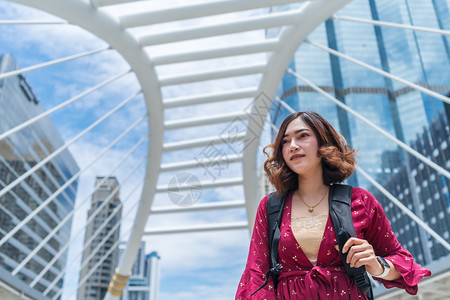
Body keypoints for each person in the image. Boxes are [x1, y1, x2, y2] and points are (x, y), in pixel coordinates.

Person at [236, 111, 431, 299]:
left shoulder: (360, 201)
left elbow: (403, 261)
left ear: (324, 142)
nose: (292, 146)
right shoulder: (270, 207)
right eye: (285, 142)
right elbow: (256, 274)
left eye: (302, 136)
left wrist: (378, 265)